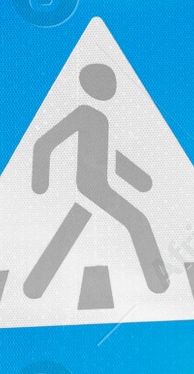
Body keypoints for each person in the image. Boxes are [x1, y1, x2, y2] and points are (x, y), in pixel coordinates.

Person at [23, 63, 169, 298]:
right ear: (94, 86)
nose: (112, 88)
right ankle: (159, 283)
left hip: (97, 186)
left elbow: (110, 157)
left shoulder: (100, 118)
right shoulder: (84, 114)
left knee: (69, 231)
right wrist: (40, 183)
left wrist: (140, 181)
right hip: (91, 187)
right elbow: (45, 143)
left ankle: (33, 287)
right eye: (107, 82)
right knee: (138, 222)